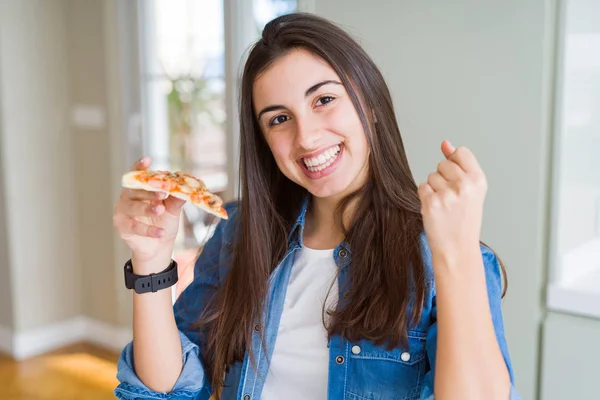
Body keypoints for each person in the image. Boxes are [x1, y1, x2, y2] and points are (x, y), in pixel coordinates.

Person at [113, 12, 521, 400]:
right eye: (278, 119)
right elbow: (166, 391)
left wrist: (457, 253)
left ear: (371, 104)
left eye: (323, 99)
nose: (306, 138)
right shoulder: (238, 235)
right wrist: (150, 262)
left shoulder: (442, 252)